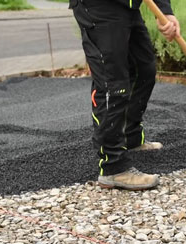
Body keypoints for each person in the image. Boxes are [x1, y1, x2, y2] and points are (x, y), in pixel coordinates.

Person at [69, 0, 180, 190]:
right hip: (99, 8)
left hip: (128, 6)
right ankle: (113, 166)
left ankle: (131, 137)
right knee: (113, 84)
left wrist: (165, 11)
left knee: (143, 70)